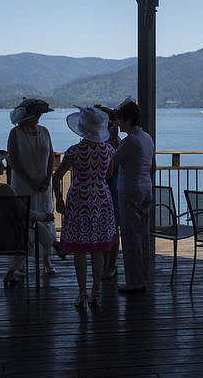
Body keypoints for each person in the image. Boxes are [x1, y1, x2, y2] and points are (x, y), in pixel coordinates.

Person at [0, 146, 61, 286]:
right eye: (0, 163)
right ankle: (54, 246)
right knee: (32, 231)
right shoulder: (5, 189)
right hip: (9, 240)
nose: (3, 166)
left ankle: (54, 246)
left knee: (32, 230)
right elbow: (24, 213)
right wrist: (44, 216)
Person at [53, 107, 117, 307]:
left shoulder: (74, 151)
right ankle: (96, 291)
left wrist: (59, 199)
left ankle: (82, 292)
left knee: (80, 249)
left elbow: (56, 177)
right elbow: (109, 174)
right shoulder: (108, 150)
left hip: (79, 199)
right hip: (101, 198)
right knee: (97, 248)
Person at [8, 98, 58, 275]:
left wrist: (47, 178)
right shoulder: (15, 133)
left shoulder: (45, 131)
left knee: (45, 216)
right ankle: (21, 261)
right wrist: (30, 181)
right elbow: (14, 160)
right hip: (23, 184)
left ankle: (46, 257)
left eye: (38, 115)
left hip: (43, 184)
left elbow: (51, 155)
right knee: (24, 220)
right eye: (34, 115)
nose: (37, 118)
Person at [112, 98, 155, 293]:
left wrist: (113, 137)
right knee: (143, 235)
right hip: (146, 187)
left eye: (120, 119)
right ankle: (143, 277)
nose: (118, 123)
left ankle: (133, 281)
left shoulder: (130, 141)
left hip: (129, 190)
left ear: (128, 120)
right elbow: (153, 166)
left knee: (130, 237)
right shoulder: (146, 138)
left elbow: (112, 163)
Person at [95, 103, 122, 281]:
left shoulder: (114, 142)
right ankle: (105, 264)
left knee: (113, 226)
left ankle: (111, 264)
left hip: (112, 185)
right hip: (105, 186)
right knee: (105, 226)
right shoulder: (102, 140)